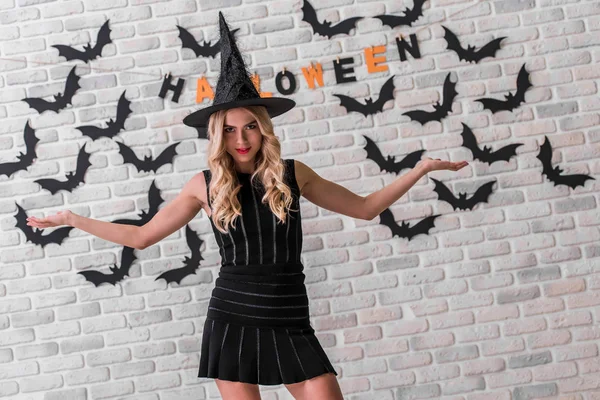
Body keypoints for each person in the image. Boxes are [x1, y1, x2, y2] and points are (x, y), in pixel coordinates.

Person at [26, 12, 469, 400]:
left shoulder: (294, 174)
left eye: (251, 127)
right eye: (231, 130)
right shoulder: (205, 185)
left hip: (290, 315)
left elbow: (366, 208)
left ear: (264, 130)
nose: (241, 139)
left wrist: (419, 169)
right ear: (217, 134)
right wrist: (71, 219)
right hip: (233, 317)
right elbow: (142, 236)